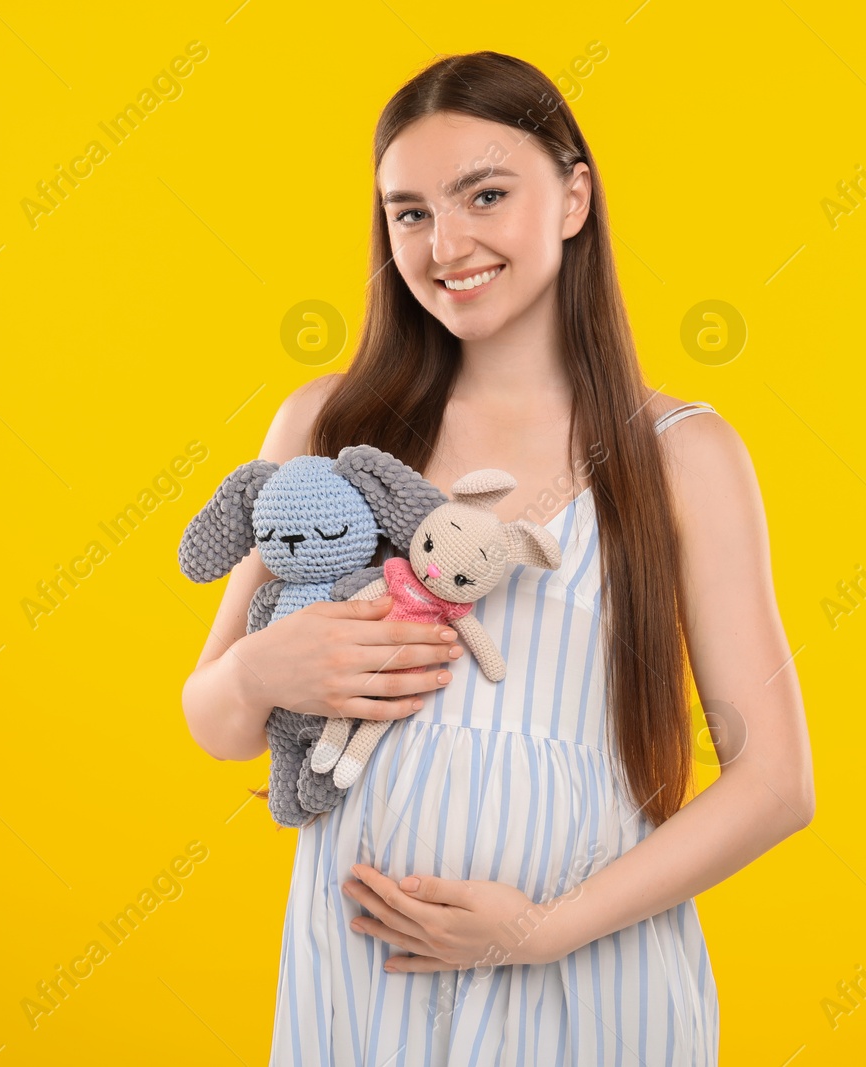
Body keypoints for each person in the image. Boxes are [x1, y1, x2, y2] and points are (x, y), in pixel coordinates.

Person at [180, 50, 815, 1066]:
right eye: (410, 212)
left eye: (485, 193)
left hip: (590, 973)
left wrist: (538, 930)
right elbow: (214, 719)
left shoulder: (683, 453)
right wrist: (263, 668)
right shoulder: (327, 425)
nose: (447, 242)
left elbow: (776, 780)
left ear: (572, 198)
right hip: (364, 975)